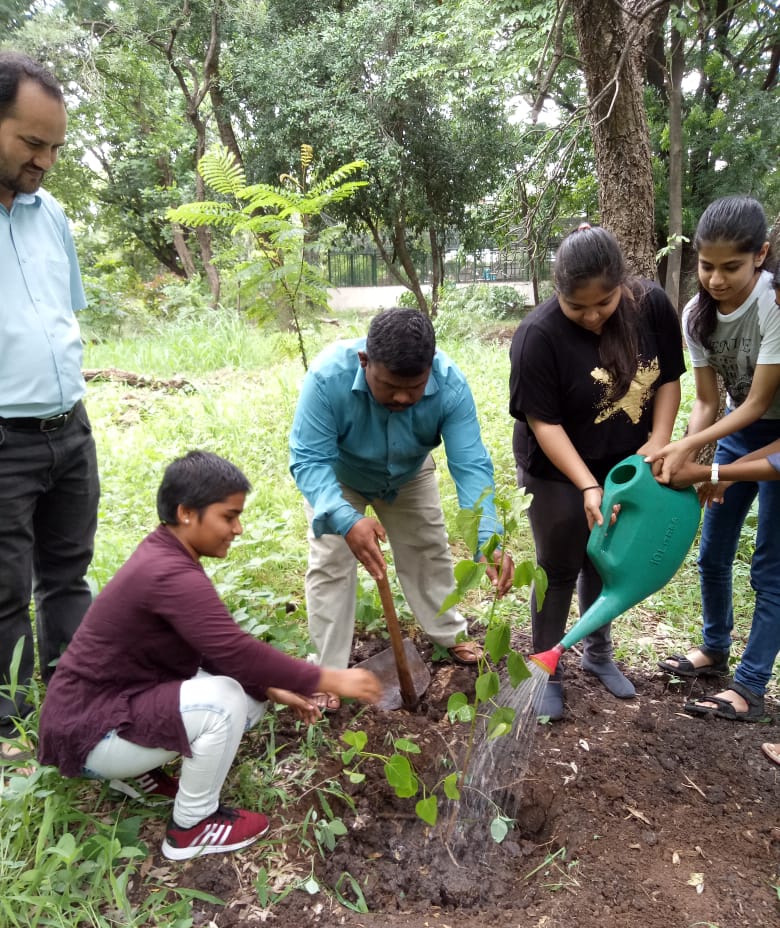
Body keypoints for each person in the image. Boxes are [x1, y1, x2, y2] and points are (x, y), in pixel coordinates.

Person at [38, 451, 381, 860]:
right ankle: (192, 826)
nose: (237, 529)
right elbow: (234, 650)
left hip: (96, 715)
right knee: (225, 702)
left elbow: (211, 647)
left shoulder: (164, 553)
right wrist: (328, 678)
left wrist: (272, 687)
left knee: (249, 696)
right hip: (91, 734)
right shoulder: (169, 573)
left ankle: (137, 772)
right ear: (186, 513)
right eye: (228, 516)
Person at [509, 224, 686, 719]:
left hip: (627, 460)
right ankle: (546, 668)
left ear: (622, 286)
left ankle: (598, 654)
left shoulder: (651, 306)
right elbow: (544, 423)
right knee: (561, 561)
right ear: (557, 292)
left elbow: (668, 380)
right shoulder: (537, 335)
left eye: (604, 303)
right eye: (577, 306)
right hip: (557, 466)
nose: (591, 316)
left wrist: (656, 445)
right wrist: (586, 483)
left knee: (607, 557)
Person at [289, 306, 514, 671]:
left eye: (415, 388)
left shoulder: (450, 384)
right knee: (331, 561)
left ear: (430, 368)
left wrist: (488, 537)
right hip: (340, 478)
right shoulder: (327, 377)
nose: (403, 399)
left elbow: (471, 467)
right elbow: (309, 461)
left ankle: (448, 634)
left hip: (409, 473)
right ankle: (329, 672)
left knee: (427, 548)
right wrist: (345, 520)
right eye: (390, 386)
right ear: (365, 361)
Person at [650, 197, 780, 724]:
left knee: (771, 569)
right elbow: (706, 400)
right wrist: (688, 446)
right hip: (739, 428)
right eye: (707, 266)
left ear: (760, 256)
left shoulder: (774, 306)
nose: (717, 279)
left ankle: (749, 687)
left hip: (773, 432)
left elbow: (759, 403)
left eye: (731, 267)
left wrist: (703, 463)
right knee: (713, 552)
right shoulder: (697, 315)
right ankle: (714, 648)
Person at [0, 52, 100, 735]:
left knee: (67, 573)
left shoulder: (51, 214)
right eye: (32, 143)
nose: (46, 160)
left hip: (69, 427)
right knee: (3, 592)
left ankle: (72, 700)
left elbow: (62, 313)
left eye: (55, 146)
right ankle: (10, 727)